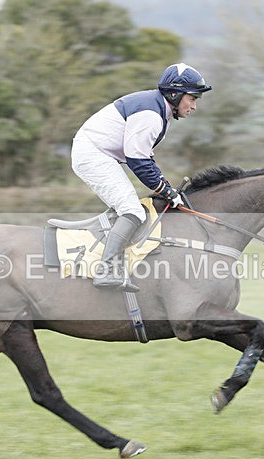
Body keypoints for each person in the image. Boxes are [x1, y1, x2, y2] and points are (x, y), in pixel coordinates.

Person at [71, 63, 212, 291]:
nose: (194, 106)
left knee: (128, 206)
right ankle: (105, 271)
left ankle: (112, 256)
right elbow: (138, 162)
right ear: (175, 95)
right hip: (93, 155)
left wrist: (165, 186)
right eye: (193, 99)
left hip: (99, 154)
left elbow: (146, 159)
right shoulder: (151, 114)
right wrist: (166, 191)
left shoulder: (159, 111)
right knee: (132, 210)